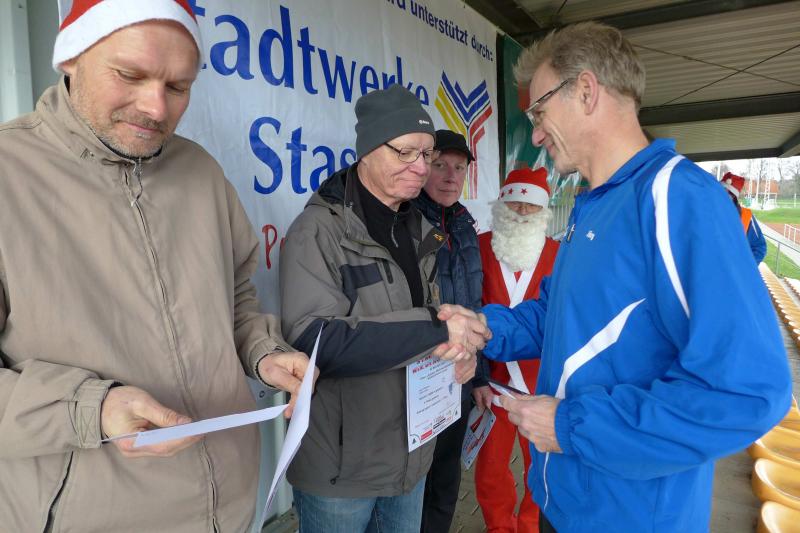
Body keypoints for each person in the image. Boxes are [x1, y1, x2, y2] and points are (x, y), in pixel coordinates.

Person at [441, 21, 793, 533]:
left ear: (586, 92)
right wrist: (486, 328)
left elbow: (747, 393)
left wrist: (571, 426)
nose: (535, 134)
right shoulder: (595, 205)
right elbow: (557, 314)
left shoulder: (678, 200)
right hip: (563, 499)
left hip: (629, 515)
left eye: (539, 112)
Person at [0, 2, 313, 531]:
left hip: (232, 506)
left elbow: (236, 296)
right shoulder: (8, 174)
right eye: (129, 75)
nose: (155, 107)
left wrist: (265, 353)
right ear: (71, 56)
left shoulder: (201, 171)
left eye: (178, 87)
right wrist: (93, 410)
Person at [279, 85, 490, 533]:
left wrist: (457, 354)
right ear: (368, 150)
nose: (422, 167)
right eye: (406, 152)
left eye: (427, 154)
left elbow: (434, 322)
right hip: (342, 469)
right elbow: (315, 339)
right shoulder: (318, 231)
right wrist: (437, 330)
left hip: (411, 456)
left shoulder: (421, 229)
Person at [473, 167, 559, 533]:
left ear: (544, 210)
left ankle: (529, 526)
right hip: (491, 381)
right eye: (515, 203)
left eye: (531, 204)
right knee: (490, 468)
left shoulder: (560, 252)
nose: (523, 211)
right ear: (501, 204)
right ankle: (498, 527)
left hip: (541, 382)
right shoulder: (478, 246)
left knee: (539, 467)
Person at [411, 129, 487, 533]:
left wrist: (481, 376)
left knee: (445, 478)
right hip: (419, 376)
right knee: (412, 485)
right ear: (423, 166)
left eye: (459, 167)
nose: (450, 176)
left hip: (459, 377)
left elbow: (476, 307)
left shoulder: (465, 226)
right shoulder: (406, 220)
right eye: (440, 164)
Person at [720, 172, 767, 263]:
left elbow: (759, 248)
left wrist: (744, 267)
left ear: (733, 196)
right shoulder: (708, 212)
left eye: (726, 192)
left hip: (734, 269)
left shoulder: (746, 217)